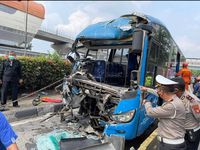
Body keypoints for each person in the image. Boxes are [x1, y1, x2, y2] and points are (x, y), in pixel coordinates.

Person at [143, 75, 186, 150]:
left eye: (159, 90)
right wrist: (146, 89)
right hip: (171, 143)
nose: (158, 92)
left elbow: (150, 112)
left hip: (170, 146)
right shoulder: (174, 100)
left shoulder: (172, 106)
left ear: (162, 92)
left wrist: (146, 102)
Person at [171, 77, 200, 150]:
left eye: (169, 89)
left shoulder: (192, 101)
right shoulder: (177, 96)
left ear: (176, 90)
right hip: (181, 132)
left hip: (191, 134)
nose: (168, 91)